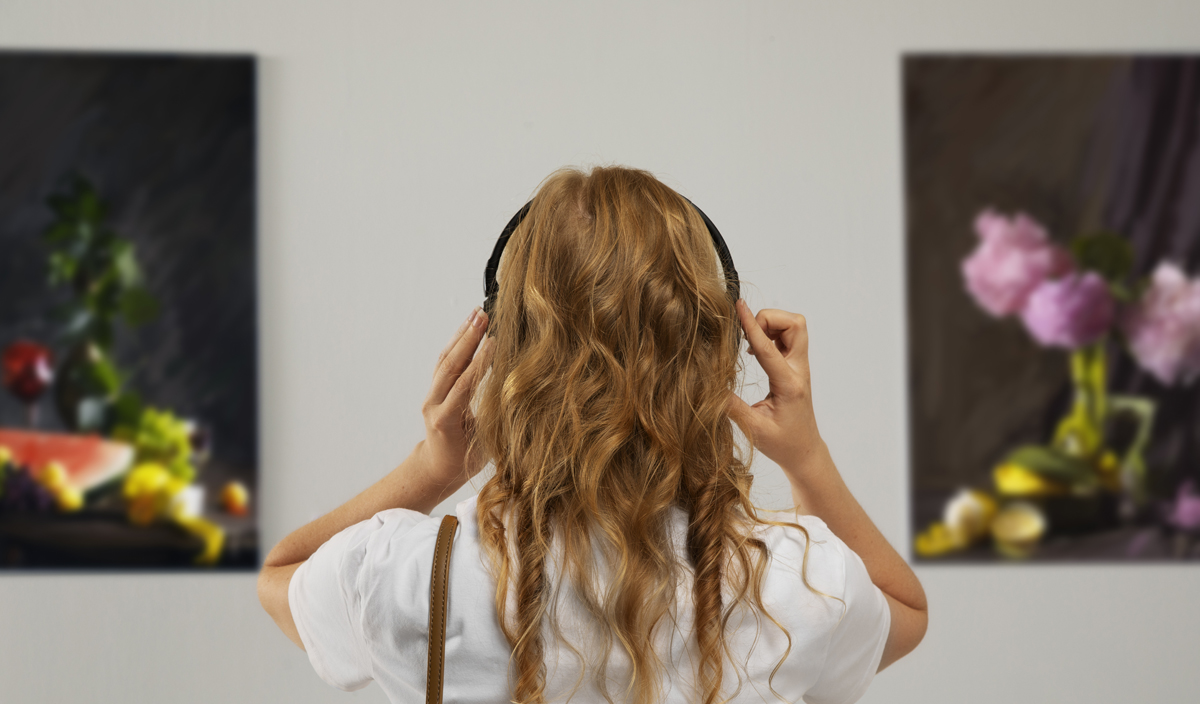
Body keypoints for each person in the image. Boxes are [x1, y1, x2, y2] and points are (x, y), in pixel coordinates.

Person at [258, 166, 927, 704]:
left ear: (504, 353)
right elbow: (904, 611)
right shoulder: (793, 580)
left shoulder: (407, 576)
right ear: (718, 351)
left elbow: (279, 577)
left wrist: (431, 468)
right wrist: (806, 457)